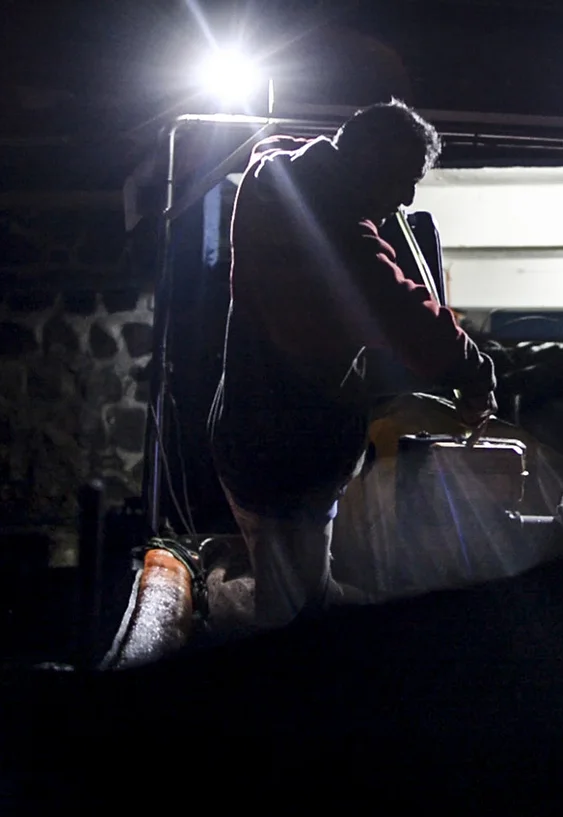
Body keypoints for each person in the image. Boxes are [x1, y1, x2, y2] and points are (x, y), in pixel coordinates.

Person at [208, 99, 497, 629]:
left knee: (288, 590)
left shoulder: (272, 174)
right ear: (368, 164)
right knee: (294, 616)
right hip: (291, 449)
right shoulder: (341, 234)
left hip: (243, 429)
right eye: (404, 179)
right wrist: (476, 375)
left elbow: (274, 146)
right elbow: (407, 315)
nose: (407, 198)